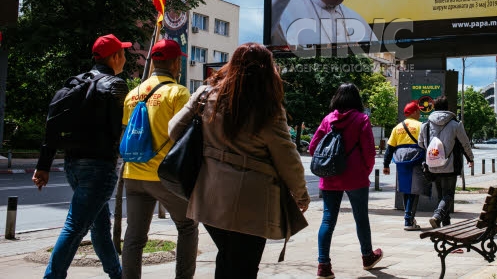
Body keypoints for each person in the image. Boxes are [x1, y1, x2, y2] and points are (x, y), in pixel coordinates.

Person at [169, 43, 310, 278]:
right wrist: (301, 194)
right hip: (251, 203)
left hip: (208, 195)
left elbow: (174, 130)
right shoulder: (267, 108)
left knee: (226, 258)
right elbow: (287, 157)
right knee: (243, 267)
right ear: (268, 70)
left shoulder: (205, 94)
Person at [33, 34, 131, 279]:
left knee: (99, 227)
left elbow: (52, 126)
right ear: (116, 56)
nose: (125, 59)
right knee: (75, 227)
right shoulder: (115, 85)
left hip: (72, 165)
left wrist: (43, 166)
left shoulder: (75, 83)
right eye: (124, 54)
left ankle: (117, 274)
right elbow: (117, 129)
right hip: (99, 167)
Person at [121, 39, 198, 279]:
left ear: (153, 62)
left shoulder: (133, 94)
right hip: (164, 176)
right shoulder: (178, 92)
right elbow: (186, 137)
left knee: (134, 237)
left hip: (133, 175)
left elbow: (127, 132)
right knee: (187, 226)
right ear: (176, 64)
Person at [309, 83, 382, 279]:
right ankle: (367, 256)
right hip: (356, 177)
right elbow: (368, 151)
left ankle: (323, 265)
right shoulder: (361, 119)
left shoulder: (327, 120)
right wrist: (364, 172)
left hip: (330, 176)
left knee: (327, 219)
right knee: (361, 218)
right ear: (356, 100)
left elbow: (313, 148)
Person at [418, 96, 474, 228]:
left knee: (441, 196)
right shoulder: (456, 124)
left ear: (435, 108)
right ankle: (437, 216)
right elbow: (465, 143)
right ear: (447, 108)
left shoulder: (425, 125)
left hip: (433, 165)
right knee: (448, 195)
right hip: (450, 165)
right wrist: (470, 158)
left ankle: (446, 225)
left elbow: (420, 144)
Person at [383, 101, 427, 230]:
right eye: (418, 111)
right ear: (413, 112)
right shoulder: (422, 126)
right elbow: (427, 144)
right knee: (414, 190)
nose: (419, 113)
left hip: (401, 161)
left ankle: (408, 218)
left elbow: (390, 148)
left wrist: (386, 165)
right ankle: (409, 220)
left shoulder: (397, 128)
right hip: (416, 160)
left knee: (405, 189)